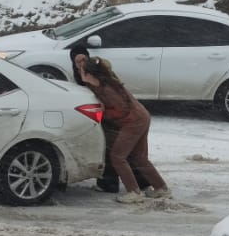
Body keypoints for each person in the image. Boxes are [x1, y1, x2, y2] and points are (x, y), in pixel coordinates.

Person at [75, 54, 169, 205]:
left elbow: (121, 111)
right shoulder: (100, 83)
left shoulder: (107, 89)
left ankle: (133, 192)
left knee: (118, 156)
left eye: (82, 71)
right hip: (141, 117)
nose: (79, 72)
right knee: (140, 158)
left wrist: (101, 113)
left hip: (133, 122)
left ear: (90, 74)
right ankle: (161, 188)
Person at [70, 48, 121, 193]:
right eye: (77, 61)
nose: (81, 64)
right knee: (110, 150)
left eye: (84, 60)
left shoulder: (97, 73)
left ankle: (113, 184)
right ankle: (109, 183)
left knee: (114, 150)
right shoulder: (80, 75)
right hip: (102, 115)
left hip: (114, 115)